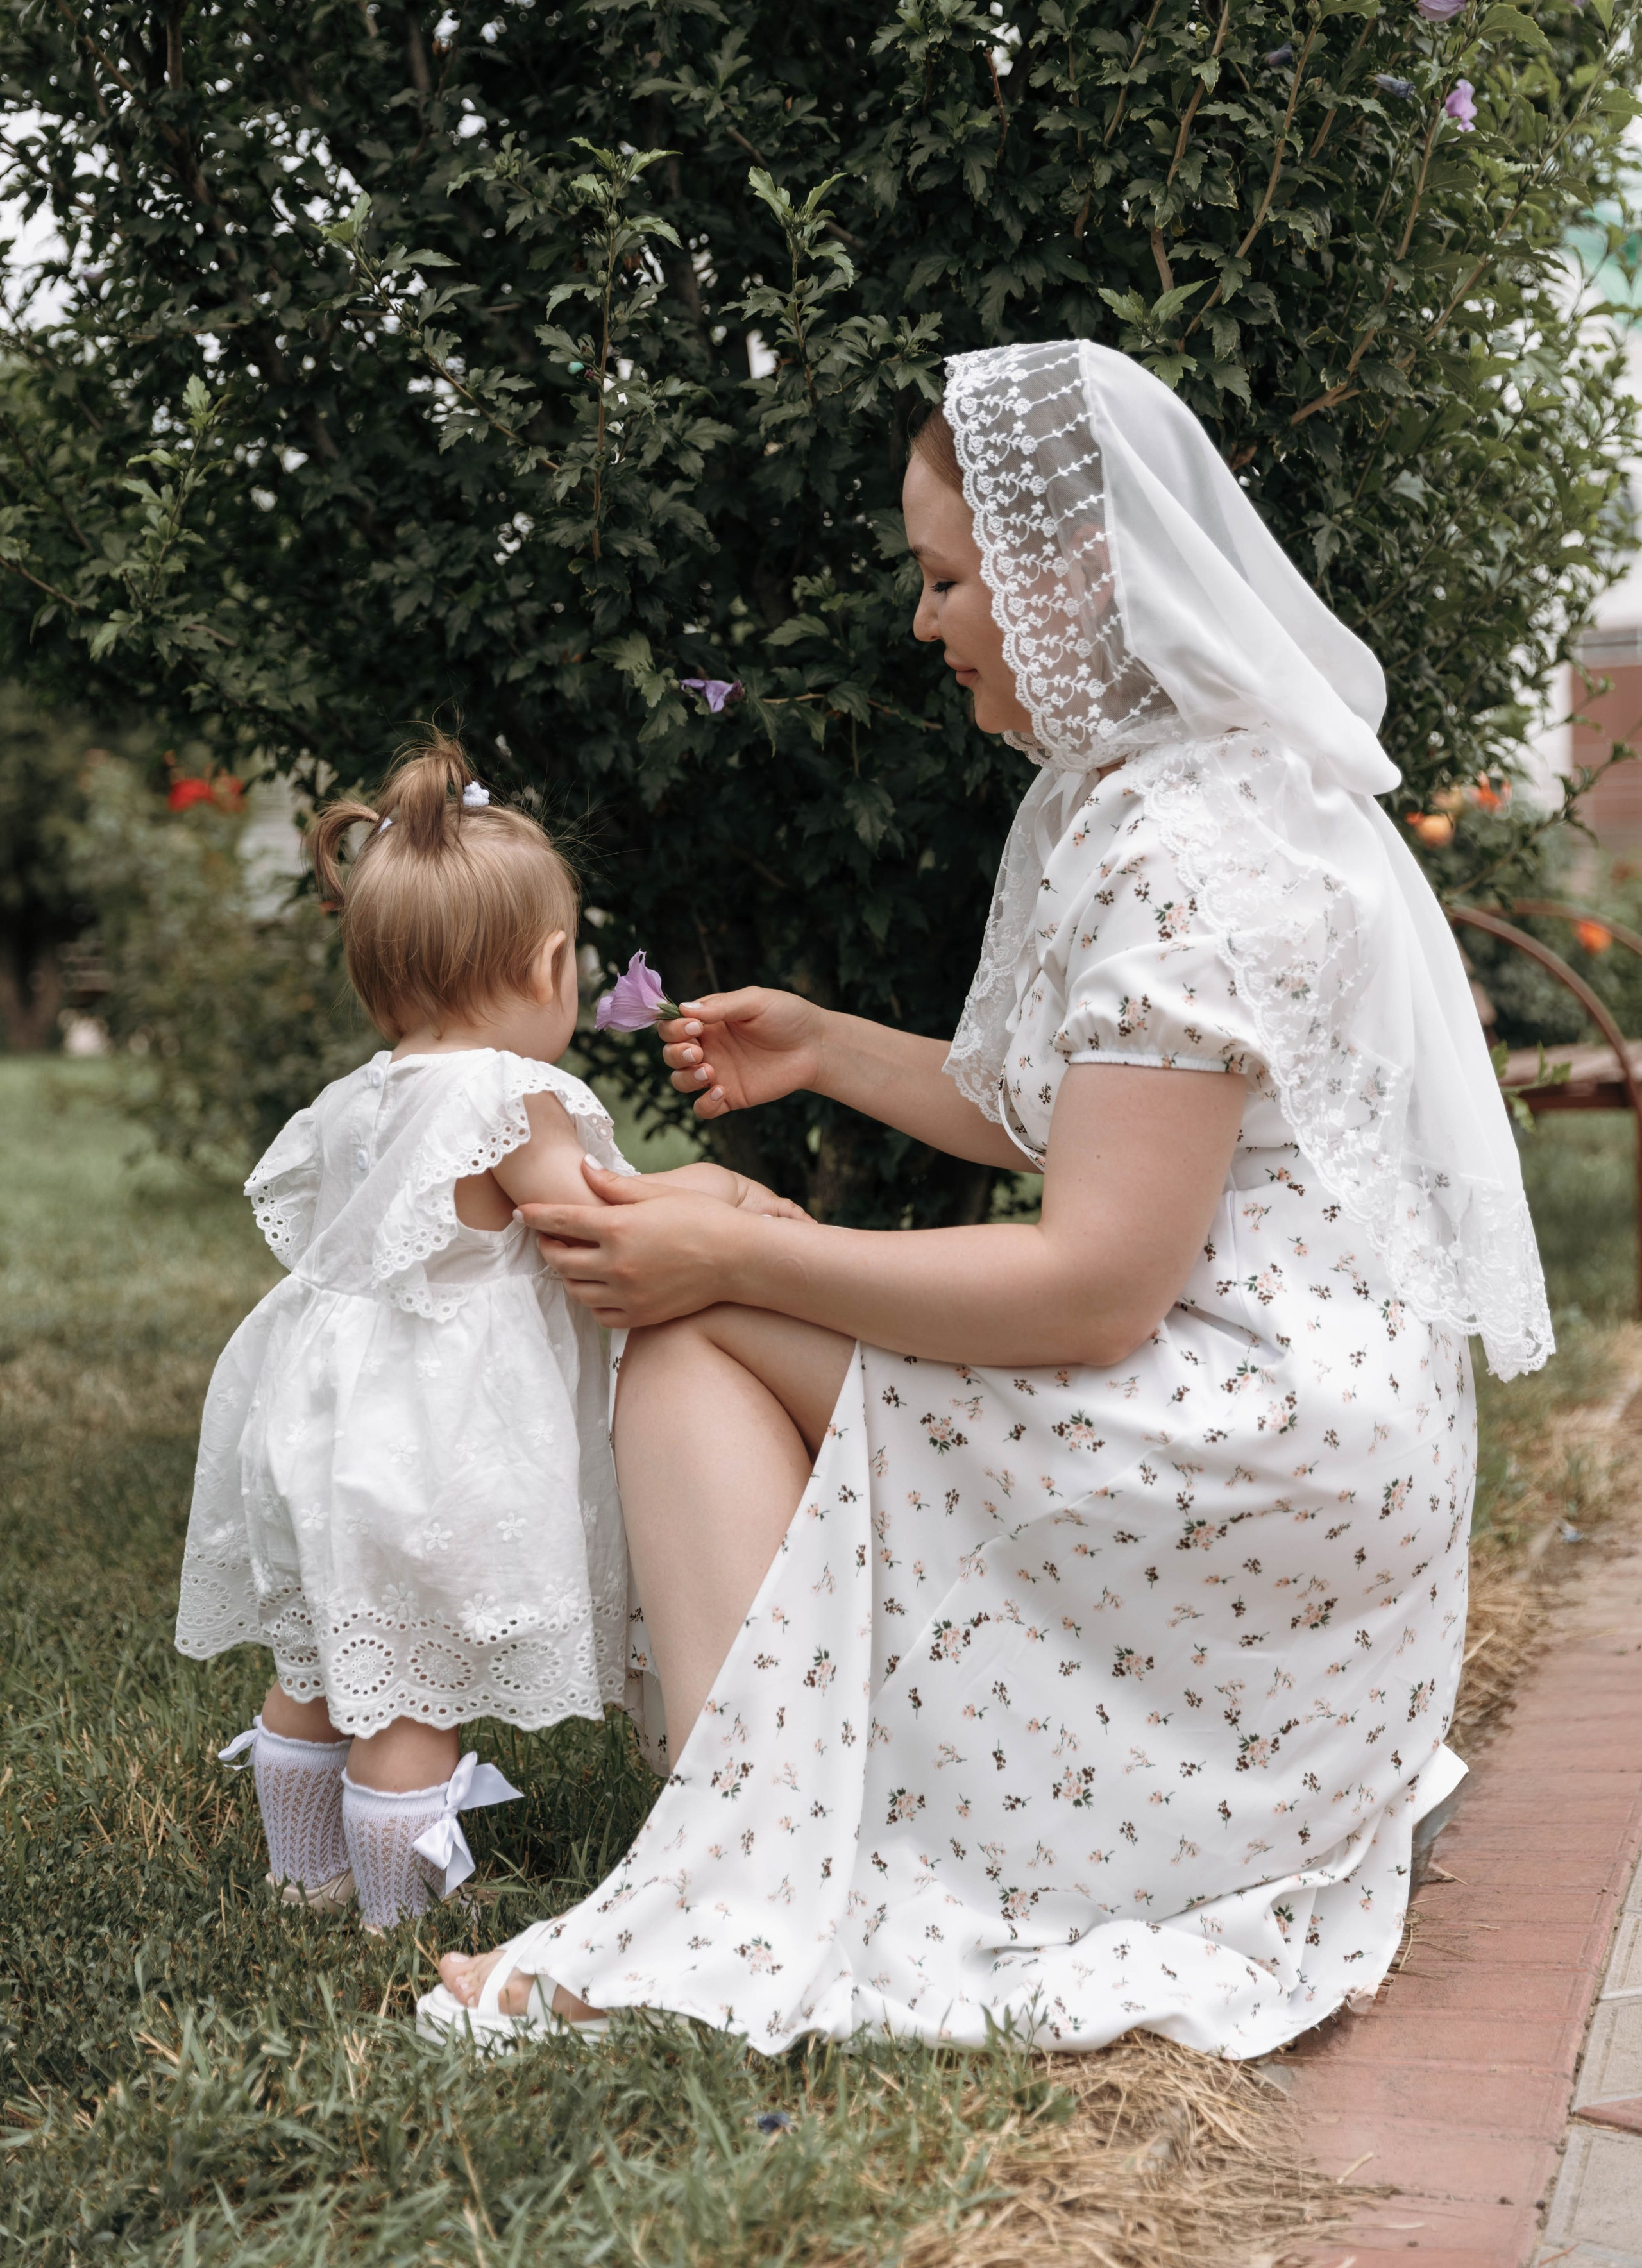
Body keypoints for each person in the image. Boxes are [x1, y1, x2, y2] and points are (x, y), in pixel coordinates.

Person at [421, 340, 1550, 2054]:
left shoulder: (1188, 851)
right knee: (743, 1278)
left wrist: (746, 1242)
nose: (928, 619)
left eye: (948, 578)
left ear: (1068, 574)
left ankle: (737, 1897)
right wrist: (824, 1047)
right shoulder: (1171, 787)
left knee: (702, 1319)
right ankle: (770, 1833)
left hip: (1248, 1439)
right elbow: (1088, 1123)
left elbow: (1097, 1285)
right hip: (1299, 1419)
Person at [176, 733, 804, 1931]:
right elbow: (589, 1221)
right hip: (426, 1439)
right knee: (410, 1687)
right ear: (549, 964)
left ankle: (300, 1876)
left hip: (315, 1426)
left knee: (324, 1662)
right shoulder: (507, 1095)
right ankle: (398, 1913)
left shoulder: (358, 1098)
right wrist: (721, 1195)